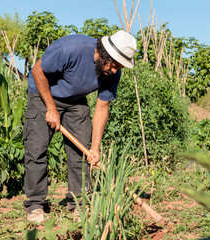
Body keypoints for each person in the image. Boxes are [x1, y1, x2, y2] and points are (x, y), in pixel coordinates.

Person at [23, 30, 137, 223]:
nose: (116, 71)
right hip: (43, 96)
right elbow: (37, 70)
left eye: (120, 67)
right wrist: (51, 108)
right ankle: (35, 205)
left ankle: (79, 204)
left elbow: (102, 108)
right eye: (115, 65)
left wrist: (94, 148)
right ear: (104, 56)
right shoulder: (71, 49)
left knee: (81, 155)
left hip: (76, 102)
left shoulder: (111, 73)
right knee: (36, 149)